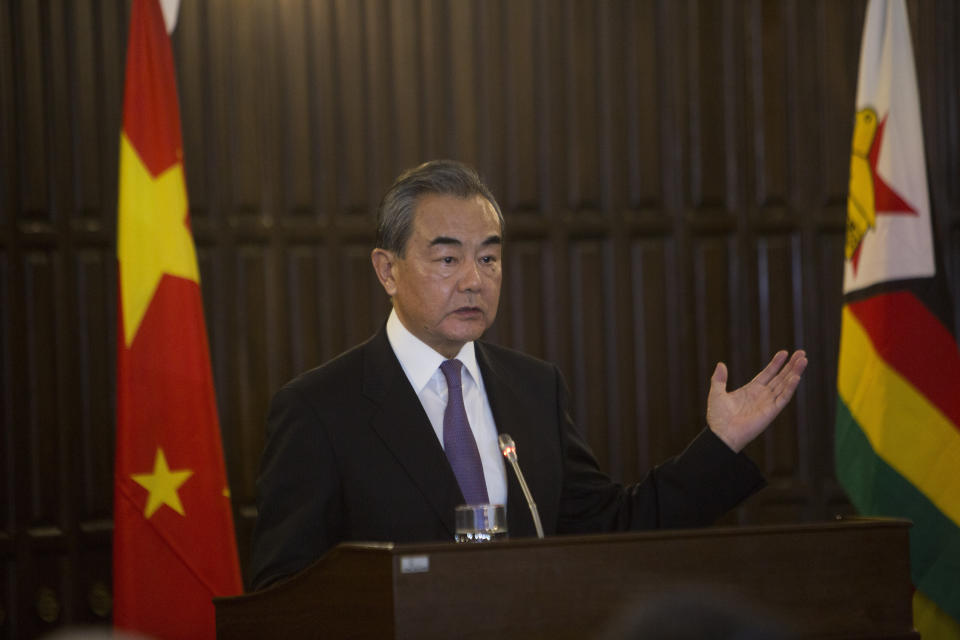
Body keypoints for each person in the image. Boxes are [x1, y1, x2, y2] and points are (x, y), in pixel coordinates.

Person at [248, 160, 807, 591]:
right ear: (387, 270)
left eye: (488, 259)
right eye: (448, 259)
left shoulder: (533, 390)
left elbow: (613, 532)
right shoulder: (320, 409)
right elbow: (283, 593)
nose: (474, 280)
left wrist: (721, 444)